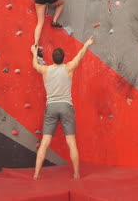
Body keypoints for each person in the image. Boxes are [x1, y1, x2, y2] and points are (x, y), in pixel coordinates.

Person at [30, 36, 95, 180]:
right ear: (63, 58)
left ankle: (36, 174)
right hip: (66, 107)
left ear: (53, 59)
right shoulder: (68, 67)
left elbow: (35, 65)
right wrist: (87, 44)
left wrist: (34, 52)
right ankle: (77, 174)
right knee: (71, 142)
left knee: (45, 142)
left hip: (51, 107)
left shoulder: (45, 70)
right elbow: (80, 56)